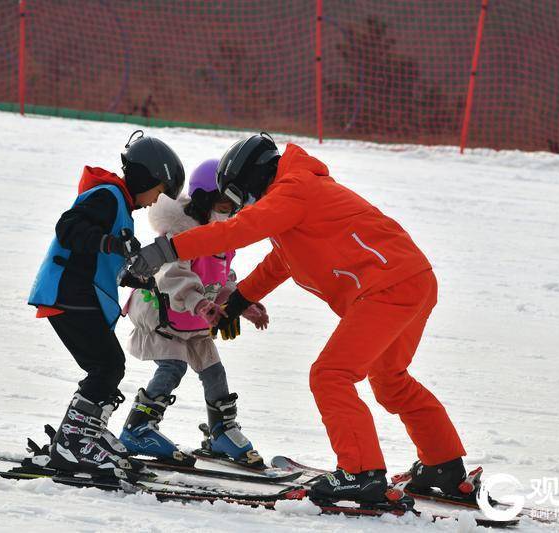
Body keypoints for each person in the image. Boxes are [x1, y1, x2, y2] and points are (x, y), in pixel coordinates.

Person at [126, 133, 467, 502]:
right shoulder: (299, 194)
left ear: (252, 180)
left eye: (241, 198)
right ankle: (443, 464)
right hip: (411, 281)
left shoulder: (294, 189)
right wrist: (237, 302)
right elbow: (281, 262)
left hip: (386, 289)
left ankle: (361, 472)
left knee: (330, 375)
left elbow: (238, 230)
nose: (241, 207)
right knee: (390, 379)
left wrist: (167, 248)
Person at [27, 130, 184, 478]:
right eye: (159, 192)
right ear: (147, 177)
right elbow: (68, 229)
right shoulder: (108, 195)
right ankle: (74, 441)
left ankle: (82, 434)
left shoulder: (119, 204)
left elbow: (97, 256)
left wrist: (130, 276)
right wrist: (113, 244)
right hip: (69, 293)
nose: (155, 202)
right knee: (107, 366)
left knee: (105, 366)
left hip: (77, 294)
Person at [119, 159, 269, 469]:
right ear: (203, 199)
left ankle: (221, 431)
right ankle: (138, 427)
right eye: (223, 204)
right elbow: (172, 276)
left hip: (198, 319)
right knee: (173, 367)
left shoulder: (224, 236)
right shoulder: (180, 233)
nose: (228, 211)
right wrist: (200, 303)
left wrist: (243, 303)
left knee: (214, 371)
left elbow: (223, 276)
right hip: (164, 315)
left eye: (233, 206)